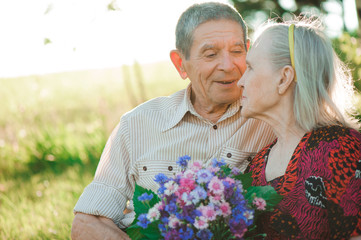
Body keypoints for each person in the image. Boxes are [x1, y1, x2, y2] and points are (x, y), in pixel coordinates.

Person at [71, 2, 275, 240]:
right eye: (211, 54)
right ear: (180, 63)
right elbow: (87, 222)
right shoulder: (136, 125)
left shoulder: (271, 115)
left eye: (237, 51)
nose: (228, 65)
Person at [238, 17, 361, 239]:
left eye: (250, 67)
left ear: (284, 78)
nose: (241, 81)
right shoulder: (256, 167)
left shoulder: (342, 150)